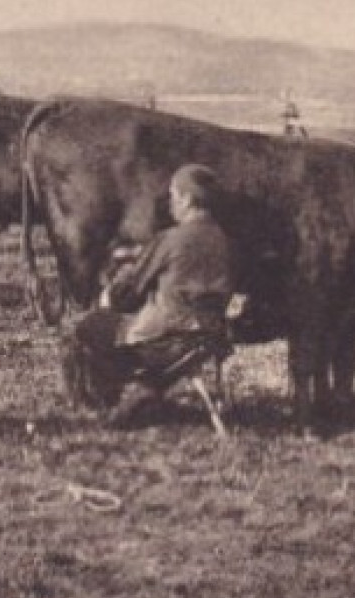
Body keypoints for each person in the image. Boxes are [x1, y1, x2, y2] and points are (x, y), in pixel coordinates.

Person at [62, 164, 236, 430]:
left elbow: (130, 292)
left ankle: (107, 402)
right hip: (209, 337)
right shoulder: (224, 239)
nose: (171, 204)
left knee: (84, 327)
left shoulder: (171, 239)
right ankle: (146, 391)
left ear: (188, 200)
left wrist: (117, 278)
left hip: (165, 337)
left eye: (174, 196)